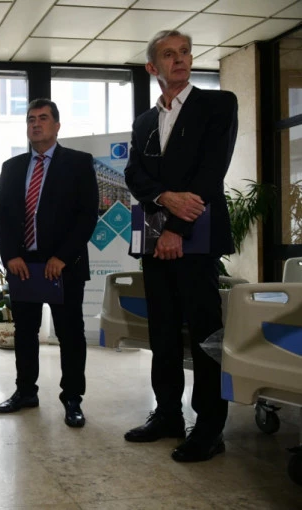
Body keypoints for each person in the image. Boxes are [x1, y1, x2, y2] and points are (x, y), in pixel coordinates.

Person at [123, 30, 238, 462]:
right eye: (169, 55)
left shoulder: (218, 105)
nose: (180, 59)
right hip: (154, 240)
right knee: (164, 332)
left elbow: (210, 172)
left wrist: (175, 227)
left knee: (205, 333)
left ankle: (209, 426)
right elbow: (134, 176)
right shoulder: (144, 122)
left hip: (197, 238)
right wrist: (165, 198)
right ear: (152, 67)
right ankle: (168, 413)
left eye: (185, 52)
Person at [0, 98, 98, 427]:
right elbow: (0, 215)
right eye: (30, 119)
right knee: (25, 331)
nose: (35, 124)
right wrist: (11, 255)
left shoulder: (78, 162)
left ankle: (72, 398)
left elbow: (87, 215)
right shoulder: (12, 167)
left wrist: (62, 257)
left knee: (70, 333)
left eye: (43, 118)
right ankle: (26, 391)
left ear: (57, 125)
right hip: (23, 264)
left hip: (63, 265)